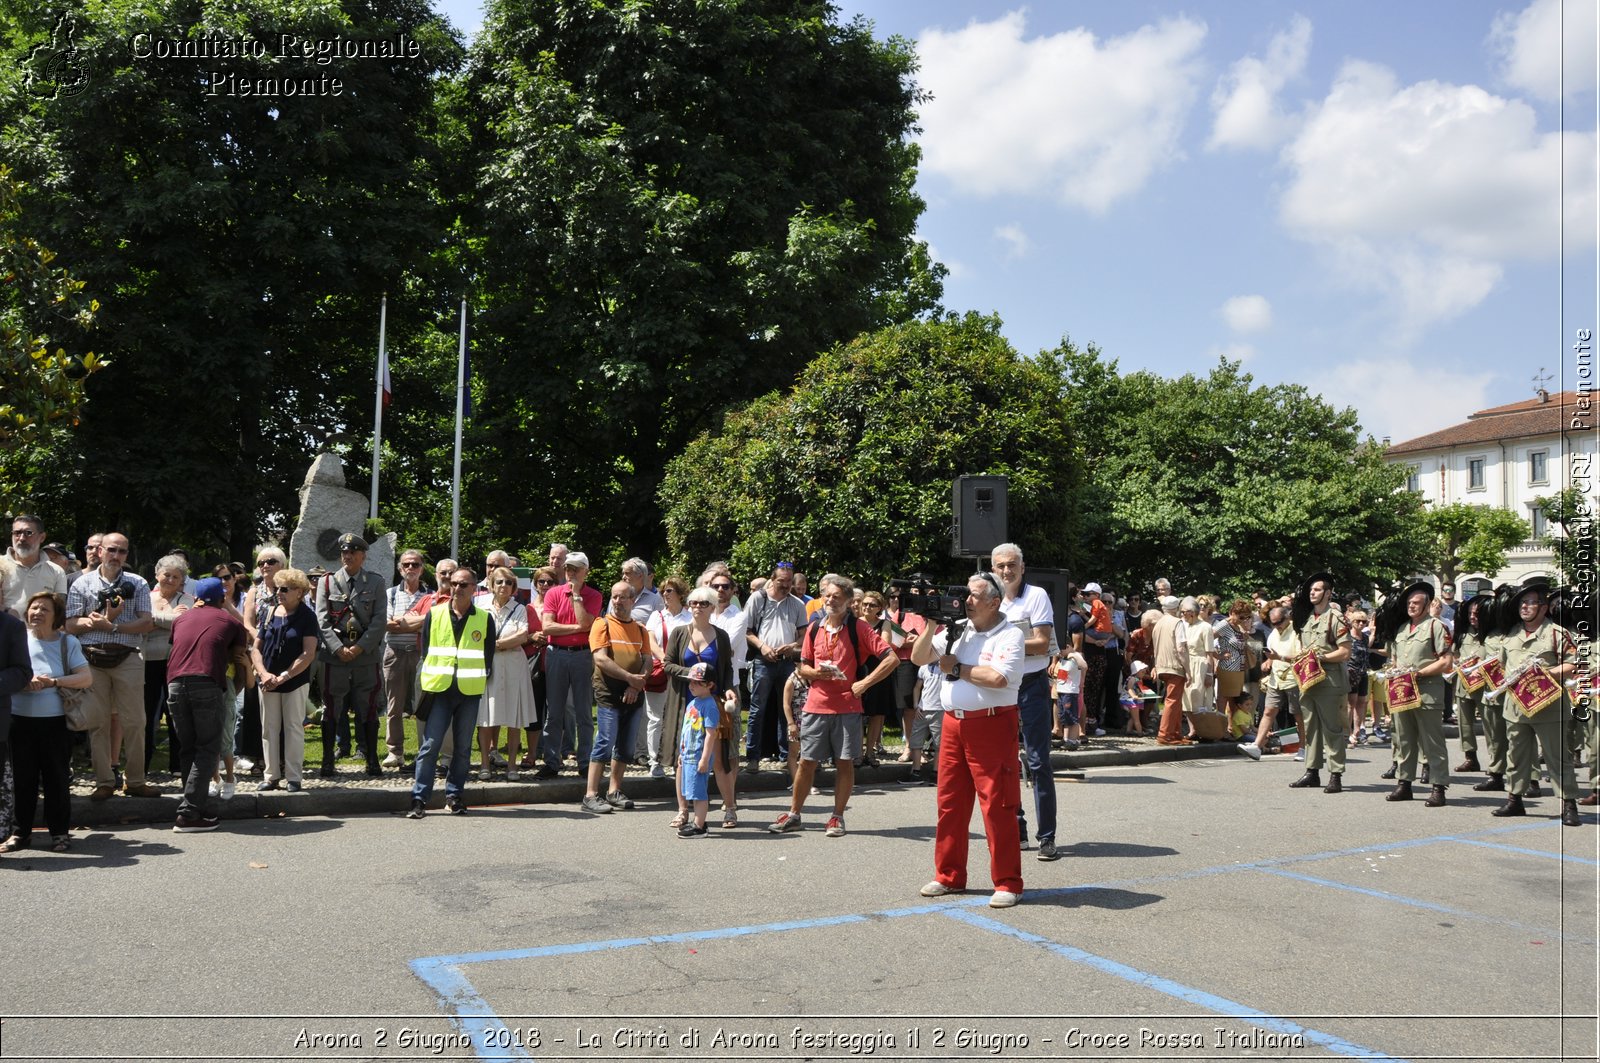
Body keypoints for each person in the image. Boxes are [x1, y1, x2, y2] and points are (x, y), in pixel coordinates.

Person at [911, 572, 1026, 908]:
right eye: (966, 594)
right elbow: (919, 657)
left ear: (995, 601)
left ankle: (1008, 882)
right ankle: (949, 875)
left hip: (992, 725)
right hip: (952, 725)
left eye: (975, 595)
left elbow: (998, 677)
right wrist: (931, 626)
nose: (967, 601)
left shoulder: (1010, 635)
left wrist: (956, 668)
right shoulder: (957, 628)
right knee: (950, 804)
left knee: (998, 805)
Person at [769, 574, 896, 837]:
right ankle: (794, 814)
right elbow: (802, 665)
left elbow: (891, 658)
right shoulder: (815, 627)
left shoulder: (858, 628)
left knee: (844, 762)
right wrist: (815, 674)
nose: (830, 600)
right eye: (827, 595)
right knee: (807, 762)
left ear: (849, 602)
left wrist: (864, 683)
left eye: (836, 596)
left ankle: (837, 817)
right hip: (815, 706)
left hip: (848, 707)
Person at [65, 531, 159, 800]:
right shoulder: (82, 584)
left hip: (128, 656)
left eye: (122, 551)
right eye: (111, 550)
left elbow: (147, 623)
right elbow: (70, 624)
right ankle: (104, 781)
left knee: (136, 722)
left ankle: (136, 781)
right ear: (100, 551)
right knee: (98, 723)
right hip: (92, 658)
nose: (116, 556)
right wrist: (94, 623)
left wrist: (113, 625)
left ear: (127, 555)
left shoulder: (137, 582)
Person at [1491, 579, 1583, 826]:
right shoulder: (1512, 633)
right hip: (1516, 706)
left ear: (1544, 607)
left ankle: (1569, 803)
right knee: (1517, 756)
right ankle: (1515, 799)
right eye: (1523, 602)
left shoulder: (1557, 634)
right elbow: (1502, 666)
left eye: (1531, 603)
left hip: (1549, 706)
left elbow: (1573, 664)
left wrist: (1547, 674)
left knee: (1557, 757)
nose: (1525, 607)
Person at [407, 567, 497, 818]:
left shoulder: (484, 618)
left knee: (463, 747)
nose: (457, 588)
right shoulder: (434, 614)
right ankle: (419, 798)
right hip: (440, 689)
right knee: (430, 745)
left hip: (469, 691)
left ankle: (454, 795)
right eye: (454, 583)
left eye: (463, 584)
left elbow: (487, 656)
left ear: (474, 589)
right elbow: (426, 653)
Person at [989, 543, 1060, 859]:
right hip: (1000, 685)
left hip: (1031, 685)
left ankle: (1047, 836)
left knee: (1038, 761)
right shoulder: (988, 598)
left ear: (1022, 566)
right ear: (993, 568)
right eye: (1001, 565)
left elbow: (1042, 641)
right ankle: (1015, 828)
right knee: (1003, 762)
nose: (1006, 570)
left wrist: (1003, 644)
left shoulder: (1037, 596)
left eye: (1012, 564)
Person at [3, 591, 85, 852]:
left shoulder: (67, 643)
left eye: (44, 609)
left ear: (56, 616)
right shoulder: (18, 637)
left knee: (56, 778)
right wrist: (22, 682)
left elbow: (86, 678)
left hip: (55, 722)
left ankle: (59, 833)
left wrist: (53, 682)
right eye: (34, 608)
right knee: (21, 779)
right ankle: (20, 833)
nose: (37, 612)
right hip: (18, 720)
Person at [166, 577, 247, 832]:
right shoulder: (232, 622)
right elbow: (238, 656)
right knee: (207, 748)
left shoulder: (180, 619)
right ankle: (189, 815)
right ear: (222, 598)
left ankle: (193, 807)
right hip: (207, 683)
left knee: (187, 748)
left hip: (175, 684)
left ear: (195, 598)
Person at [1371, 582, 1454, 805]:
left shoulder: (1437, 627)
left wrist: (1420, 673)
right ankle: (1404, 783)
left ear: (1427, 605)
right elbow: (1396, 660)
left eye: (1416, 603)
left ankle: (1438, 786)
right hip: (1402, 691)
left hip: (1427, 692)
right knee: (1404, 739)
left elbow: (1446, 662)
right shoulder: (1401, 629)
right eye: (1409, 603)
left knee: (1432, 742)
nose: (1412, 606)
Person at [662, 586, 738, 828]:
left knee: (717, 760)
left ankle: (730, 809)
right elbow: (668, 665)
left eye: (703, 603)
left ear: (712, 607)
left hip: (712, 704)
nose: (696, 607)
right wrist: (694, 675)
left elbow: (727, 670)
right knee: (682, 760)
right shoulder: (679, 633)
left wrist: (727, 689)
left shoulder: (721, 636)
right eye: (693, 603)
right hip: (684, 703)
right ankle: (683, 810)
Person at [314, 533, 387, 777]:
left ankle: (372, 759)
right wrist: (338, 648)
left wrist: (359, 647)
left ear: (363, 556)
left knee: (367, 707)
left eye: (353, 552)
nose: (348, 556)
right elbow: (322, 620)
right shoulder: (327, 582)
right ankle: (327, 761)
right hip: (335, 657)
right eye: (344, 552)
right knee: (332, 707)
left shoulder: (375, 583)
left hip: (364, 657)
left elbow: (379, 621)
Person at [581, 581, 650, 813]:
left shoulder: (640, 629)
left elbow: (647, 660)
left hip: (634, 693)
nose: (618, 602)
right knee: (605, 741)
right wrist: (631, 678)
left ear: (633, 600)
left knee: (625, 746)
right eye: (615, 597)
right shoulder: (602, 624)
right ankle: (590, 795)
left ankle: (613, 791)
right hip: (609, 693)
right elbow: (600, 659)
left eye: (623, 597)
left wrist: (636, 684)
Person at [249, 566, 318, 792]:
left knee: (293, 728)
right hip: (267, 681)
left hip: (294, 681)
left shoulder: (307, 616)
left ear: (299, 592)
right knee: (268, 728)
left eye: (285, 589)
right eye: (278, 588)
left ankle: (293, 777)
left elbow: (308, 653)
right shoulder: (269, 612)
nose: (279, 592)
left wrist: (285, 676)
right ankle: (271, 776)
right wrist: (263, 673)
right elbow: (256, 649)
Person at [537, 551, 601, 779]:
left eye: (576, 569)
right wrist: (578, 629)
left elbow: (586, 622)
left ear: (586, 571)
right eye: (568, 569)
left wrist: (576, 596)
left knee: (584, 712)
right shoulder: (553, 593)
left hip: (582, 655)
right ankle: (552, 761)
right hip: (557, 655)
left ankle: (585, 762)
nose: (571, 573)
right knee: (554, 712)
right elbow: (547, 627)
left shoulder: (593, 595)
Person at [1288, 572, 1352, 792]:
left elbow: (1345, 652)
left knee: (1332, 729)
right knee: (1310, 727)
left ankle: (1336, 774)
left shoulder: (1336, 618)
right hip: (1308, 680)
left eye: (1316, 590)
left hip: (1330, 680)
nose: (1312, 593)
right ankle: (1312, 771)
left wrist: (1321, 658)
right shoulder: (1306, 618)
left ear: (1328, 593)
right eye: (1311, 590)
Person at [742, 562, 808, 774]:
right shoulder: (758, 599)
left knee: (786, 709)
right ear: (772, 579)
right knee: (757, 709)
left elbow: (804, 634)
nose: (786, 585)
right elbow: (747, 630)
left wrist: (793, 646)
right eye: (782, 581)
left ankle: (785, 756)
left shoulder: (797, 604)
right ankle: (753, 757)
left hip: (787, 661)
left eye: (789, 581)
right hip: (764, 660)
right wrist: (762, 646)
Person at [479, 566, 540, 782]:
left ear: (514, 587)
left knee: (514, 717)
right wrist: (499, 645)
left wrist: (493, 644)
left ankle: (512, 765)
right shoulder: (481, 606)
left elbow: (522, 635)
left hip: (514, 666)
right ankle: (485, 764)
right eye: (499, 582)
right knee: (486, 716)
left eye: (508, 582)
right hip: (489, 666)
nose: (503, 586)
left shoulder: (520, 608)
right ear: (491, 585)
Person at [381, 549, 430, 769]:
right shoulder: (390, 593)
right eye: (407, 564)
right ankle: (395, 752)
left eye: (415, 564)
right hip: (394, 653)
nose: (411, 568)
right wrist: (417, 622)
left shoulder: (431, 594)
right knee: (394, 706)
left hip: (421, 654)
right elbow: (387, 624)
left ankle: (424, 751)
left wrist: (403, 622)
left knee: (422, 704)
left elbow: (430, 624)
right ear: (400, 568)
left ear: (422, 568)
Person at [144, 554, 193, 774]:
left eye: (176, 576)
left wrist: (155, 620)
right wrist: (169, 618)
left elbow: (184, 624)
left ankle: (178, 765)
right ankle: (142, 765)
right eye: (167, 575)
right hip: (147, 663)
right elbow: (141, 622)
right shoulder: (144, 597)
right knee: (145, 714)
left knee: (177, 713)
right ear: (157, 575)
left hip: (176, 663)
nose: (171, 580)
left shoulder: (188, 600)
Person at [678, 663, 734, 838]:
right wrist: (681, 752)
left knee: (699, 793)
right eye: (691, 682)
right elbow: (686, 729)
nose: (691, 685)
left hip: (698, 757)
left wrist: (704, 758)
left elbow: (711, 735)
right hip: (688, 754)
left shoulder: (709, 705)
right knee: (691, 791)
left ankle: (699, 827)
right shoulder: (693, 703)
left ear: (710, 685)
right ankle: (699, 821)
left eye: (697, 682)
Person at [644, 577, 692, 778]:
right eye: (664, 591)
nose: (665, 594)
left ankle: (676, 759)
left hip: (681, 673)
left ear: (680, 594)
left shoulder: (689, 617)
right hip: (660, 671)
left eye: (669, 590)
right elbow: (650, 640)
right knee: (655, 718)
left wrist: (676, 666)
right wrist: (666, 660)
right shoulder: (656, 616)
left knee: (680, 717)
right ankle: (654, 761)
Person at [1451, 595, 1501, 780]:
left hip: (1486, 687)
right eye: (1471, 613)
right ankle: (1470, 757)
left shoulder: (1493, 635)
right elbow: (1454, 655)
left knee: (1491, 726)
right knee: (1464, 725)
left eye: (1477, 614)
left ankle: (1496, 763)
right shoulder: (1464, 634)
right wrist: (1458, 663)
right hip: (1464, 686)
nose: (1473, 617)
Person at [3, 514, 68, 619]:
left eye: (28, 533)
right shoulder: (1, 566)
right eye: (17, 533)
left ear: (42, 537)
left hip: (41, 634)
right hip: (5, 633)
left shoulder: (56, 571)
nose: (22, 538)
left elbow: (59, 612)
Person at [1149, 602, 1190, 746]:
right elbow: (1180, 648)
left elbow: (1155, 647)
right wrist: (1188, 670)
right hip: (1175, 667)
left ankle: (1175, 734)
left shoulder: (1158, 624)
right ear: (1176, 609)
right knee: (1172, 701)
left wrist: (1155, 666)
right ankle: (1165, 735)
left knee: (1175, 701)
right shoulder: (1177, 622)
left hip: (1161, 666)